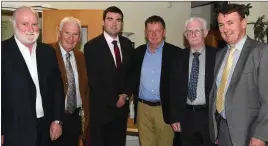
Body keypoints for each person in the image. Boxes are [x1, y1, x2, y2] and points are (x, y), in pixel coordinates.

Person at [1, 6, 65, 146]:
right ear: (14, 25)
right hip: (13, 129)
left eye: (35, 24)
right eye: (25, 24)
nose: (31, 29)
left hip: (45, 127)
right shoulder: (3, 52)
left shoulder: (48, 52)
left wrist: (57, 120)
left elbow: (57, 89)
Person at [209, 4, 268, 146]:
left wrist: (260, 136)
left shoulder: (261, 52)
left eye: (230, 23)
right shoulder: (220, 55)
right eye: (221, 24)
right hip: (223, 131)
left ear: (243, 23)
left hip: (249, 134)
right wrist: (216, 130)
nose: (225, 29)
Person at [125, 15, 181, 146]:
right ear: (145, 33)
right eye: (150, 31)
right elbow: (131, 78)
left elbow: (180, 86)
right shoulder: (137, 53)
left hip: (164, 110)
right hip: (143, 109)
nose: (154, 34)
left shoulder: (176, 54)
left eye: (158, 30)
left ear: (164, 32)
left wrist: (177, 114)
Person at [83, 6, 133, 146]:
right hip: (101, 112)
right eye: (110, 19)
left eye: (118, 20)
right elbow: (94, 80)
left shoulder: (128, 44)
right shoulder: (91, 47)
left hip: (121, 113)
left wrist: (126, 96)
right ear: (103, 22)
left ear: (122, 23)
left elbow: (131, 74)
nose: (114, 23)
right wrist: (113, 100)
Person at [168, 17, 218, 146]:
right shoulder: (178, 57)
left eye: (197, 30)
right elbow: (172, 89)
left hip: (209, 117)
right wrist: (174, 117)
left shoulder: (218, 56)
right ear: (185, 35)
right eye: (189, 31)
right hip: (186, 116)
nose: (193, 34)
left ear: (205, 33)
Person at [49, 17, 90, 146]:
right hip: (53, 119)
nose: (71, 38)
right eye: (67, 33)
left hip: (74, 119)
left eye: (75, 34)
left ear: (79, 38)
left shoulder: (81, 56)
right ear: (59, 33)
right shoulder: (46, 52)